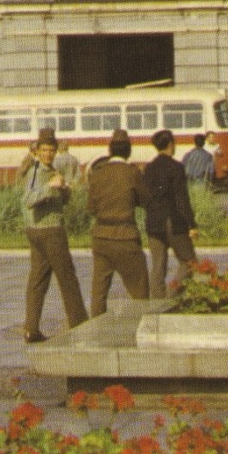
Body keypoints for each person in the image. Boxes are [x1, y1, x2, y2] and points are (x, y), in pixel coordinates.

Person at [20, 130, 87, 343]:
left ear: (56, 151)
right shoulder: (36, 172)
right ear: (37, 151)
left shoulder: (51, 169)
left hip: (39, 230)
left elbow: (57, 198)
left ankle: (31, 328)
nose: (48, 154)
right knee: (68, 278)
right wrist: (51, 187)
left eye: (51, 150)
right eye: (44, 150)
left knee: (38, 279)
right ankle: (80, 326)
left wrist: (64, 190)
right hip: (49, 231)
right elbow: (30, 199)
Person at [86, 131, 150, 316]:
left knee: (99, 292)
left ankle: (96, 329)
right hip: (126, 237)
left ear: (110, 150)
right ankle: (140, 326)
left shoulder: (97, 174)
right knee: (139, 291)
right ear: (128, 151)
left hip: (101, 237)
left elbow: (90, 208)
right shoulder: (132, 172)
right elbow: (145, 200)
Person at [142, 130, 198, 299]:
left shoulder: (149, 168)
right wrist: (192, 224)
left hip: (153, 222)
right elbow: (182, 199)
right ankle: (171, 296)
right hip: (173, 221)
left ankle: (158, 304)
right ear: (170, 145)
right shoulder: (176, 167)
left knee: (158, 265)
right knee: (189, 262)